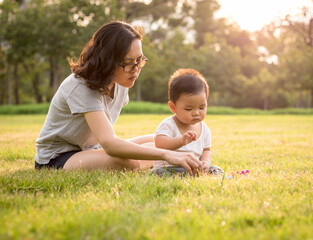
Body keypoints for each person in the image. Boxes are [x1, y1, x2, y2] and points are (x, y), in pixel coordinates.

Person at [34, 21, 201, 175]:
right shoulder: (80, 87)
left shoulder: (120, 81)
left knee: (160, 140)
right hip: (58, 157)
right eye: (129, 62)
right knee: (129, 162)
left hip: (91, 149)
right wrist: (167, 155)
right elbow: (110, 144)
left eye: (139, 60)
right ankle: (168, 160)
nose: (136, 69)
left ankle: (177, 158)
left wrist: (169, 148)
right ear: (108, 61)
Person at [153, 69, 223, 176]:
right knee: (161, 173)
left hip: (192, 168)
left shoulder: (204, 129)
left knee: (216, 170)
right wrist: (181, 141)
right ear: (173, 107)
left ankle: (194, 175)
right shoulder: (169, 124)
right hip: (169, 168)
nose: (196, 113)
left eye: (201, 107)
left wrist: (205, 162)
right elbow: (160, 143)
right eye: (188, 109)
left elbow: (206, 150)